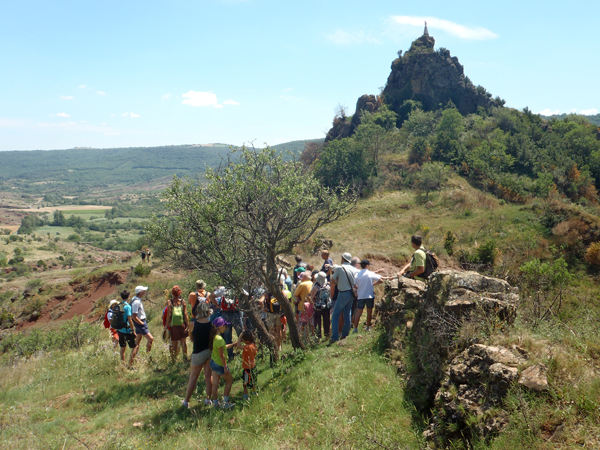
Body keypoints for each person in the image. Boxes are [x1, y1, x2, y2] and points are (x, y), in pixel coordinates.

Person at [182, 302, 213, 408]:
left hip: (198, 352)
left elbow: (191, 337)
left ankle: (186, 402)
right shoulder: (211, 324)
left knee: (193, 378)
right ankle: (208, 399)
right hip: (209, 351)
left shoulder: (193, 324)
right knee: (208, 376)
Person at [329, 252, 359, 344]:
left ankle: (335, 336)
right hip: (351, 293)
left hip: (343, 293)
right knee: (347, 313)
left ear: (343, 258)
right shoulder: (354, 269)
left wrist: (338, 282)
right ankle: (345, 334)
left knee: (335, 315)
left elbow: (333, 281)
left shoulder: (340, 268)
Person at [353, 259, 387, 333]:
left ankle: (355, 328)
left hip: (361, 296)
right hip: (369, 296)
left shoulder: (357, 274)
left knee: (358, 312)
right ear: (367, 265)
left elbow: (355, 285)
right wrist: (373, 284)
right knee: (369, 312)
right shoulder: (370, 273)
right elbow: (381, 280)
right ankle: (368, 327)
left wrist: (359, 287)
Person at [210, 317, 235, 408]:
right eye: (225, 326)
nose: (226, 327)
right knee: (229, 380)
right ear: (220, 327)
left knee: (215, 384)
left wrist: (233, 344)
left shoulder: (214, 337)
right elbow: (222, 356)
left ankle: (215, 403)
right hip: (220, 364)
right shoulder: (220, 339)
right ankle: (225, 402)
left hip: (213, 363)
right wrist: (225, 367)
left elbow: (223, 347)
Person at [115, 290, 138, 367]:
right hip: (127, 330)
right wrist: (133, 330)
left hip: (119, 330)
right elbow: (130, 320)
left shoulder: (119, 305)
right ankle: (130, 365)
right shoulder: (127, 306)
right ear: (128, 296)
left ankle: (123, 364)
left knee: (122, 347)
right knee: (135, 346)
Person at [167, 285, 189, 361]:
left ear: (172, 293)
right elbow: (185, 314)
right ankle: (185, 358)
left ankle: (173, 360)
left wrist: (167, 325)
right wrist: (187, 325)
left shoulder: (170, 302)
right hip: (182, 325)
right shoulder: (183, 302)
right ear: (180, 293)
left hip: (174, 326)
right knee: (183, 343)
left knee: (174, 344)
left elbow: (169, 314)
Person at [131, 286, 154, 354]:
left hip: (139, 322)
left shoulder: (135, 299)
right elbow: (134, 316)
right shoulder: (136, 302)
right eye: (144, 291)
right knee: (150, 339)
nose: (145, 292)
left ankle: (134, 356)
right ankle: (148, 355)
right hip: (140, 322)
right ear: (140, 292)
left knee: (138, 340)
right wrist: (141, 323)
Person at [235, 330, 258, 400]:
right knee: (253, 381)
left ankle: (245, 395)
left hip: (247, 367)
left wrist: (239, 337)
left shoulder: (248, 347)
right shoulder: (253, 344)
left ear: (247, 341)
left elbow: (238, 346)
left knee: (245, 382)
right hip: (253, 366)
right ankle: (254, 392)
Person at [310, 271, 331, 340]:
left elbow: (311, 297)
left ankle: (318, 337)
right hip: (327, 307)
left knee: (317, 322)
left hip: (318, 307)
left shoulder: (316, 287)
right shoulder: (328, 286)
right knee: (326, 321)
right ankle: (327, 335)